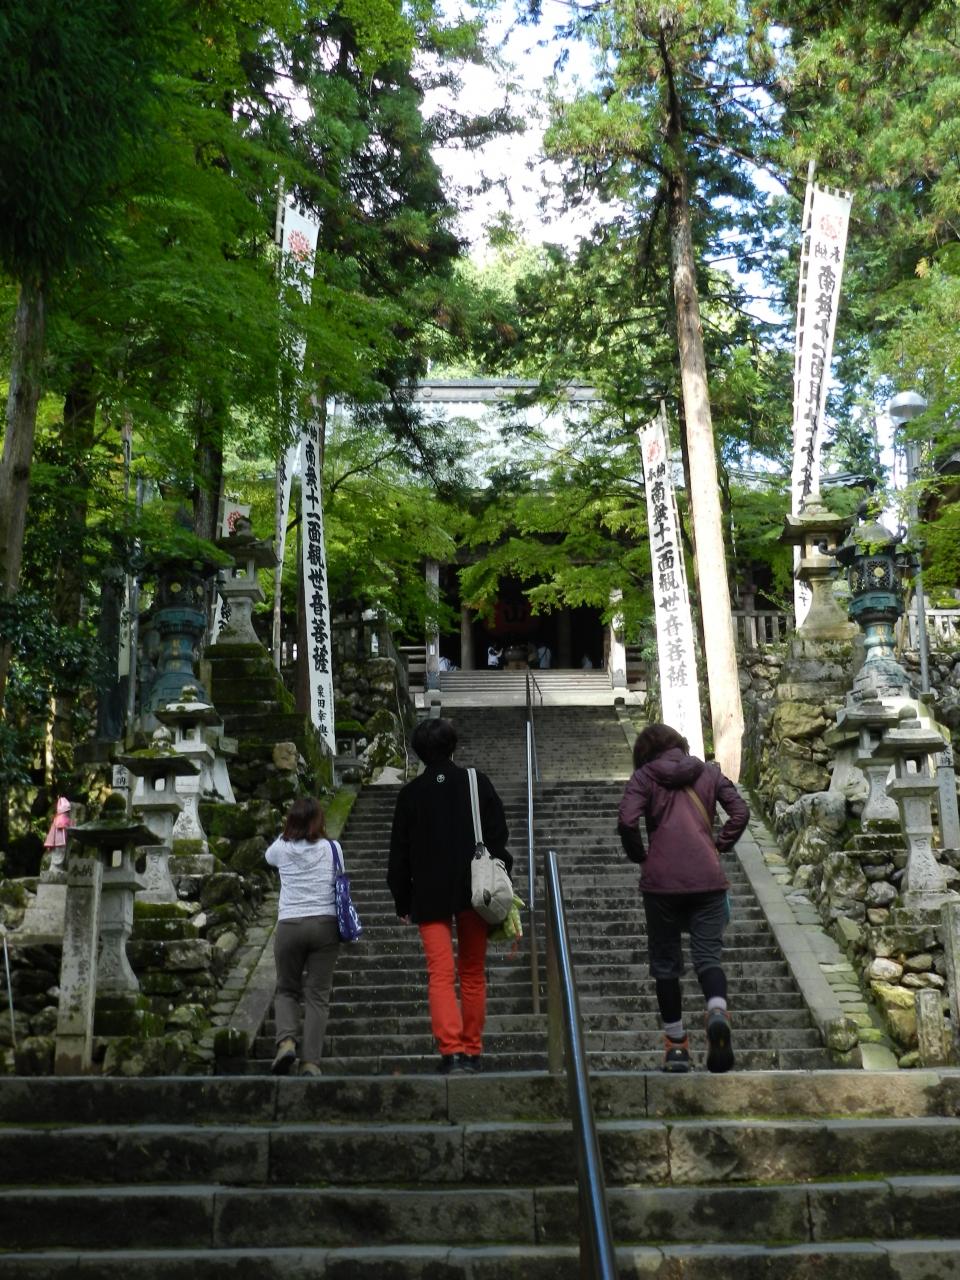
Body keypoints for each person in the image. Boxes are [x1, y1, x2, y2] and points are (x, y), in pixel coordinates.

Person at [617, 723, 749, 1075]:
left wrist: (641, 856)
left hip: (661, 885)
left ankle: (676, 1048)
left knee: (665, 965)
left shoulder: (644, 777)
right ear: (680, 745)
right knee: (708, 957)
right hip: (707, 879)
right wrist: (719, 844)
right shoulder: (708, 772)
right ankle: (717, 1011)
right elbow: (740, 812)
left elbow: (627, 821)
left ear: (644, 753)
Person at [388, 717, 511, 1074]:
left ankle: (451, 1052)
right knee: (472, 972)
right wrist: (502, 871)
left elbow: (399, 855)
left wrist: (402, 899)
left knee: (440, 974)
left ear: (419, 752)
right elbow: (498, 835)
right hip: (474, 890)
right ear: (453, 746)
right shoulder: (476, 782)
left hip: (428, 894)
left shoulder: (410, 795)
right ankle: (472, 1051)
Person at [264, 796, 343, 1077]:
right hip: (325, 924)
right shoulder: (332, 848)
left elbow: (267, 857)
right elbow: (340, 876)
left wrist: (287, 833)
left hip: (290, 925)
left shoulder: (281, 848)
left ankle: (286, 1042)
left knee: (287, 988)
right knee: (317, 995)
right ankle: (310, 1063)